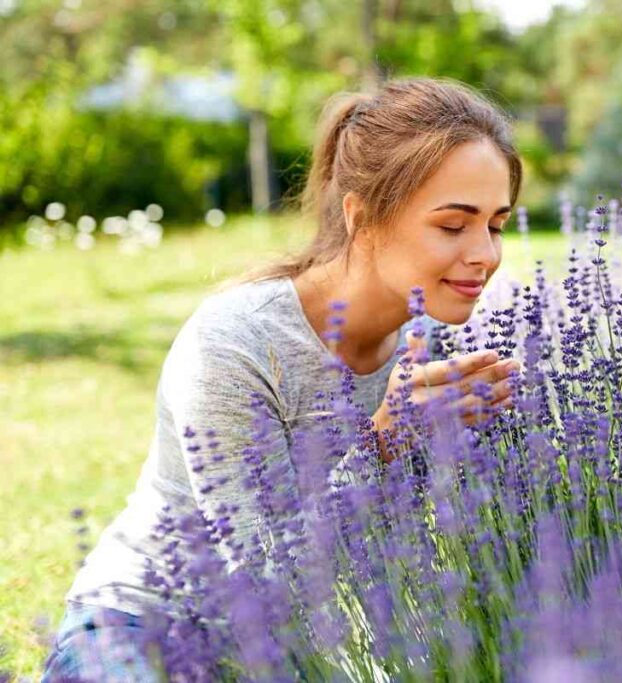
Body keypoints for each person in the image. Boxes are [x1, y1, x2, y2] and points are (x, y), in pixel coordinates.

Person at [41, 76, 524, 681]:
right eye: (454, 226)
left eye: (497, 225)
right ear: (362, 216)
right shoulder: (237, 344)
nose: (486, 253)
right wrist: (383, 441)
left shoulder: (436, 350)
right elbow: (263, 581)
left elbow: (419, 554)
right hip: (148, 628)